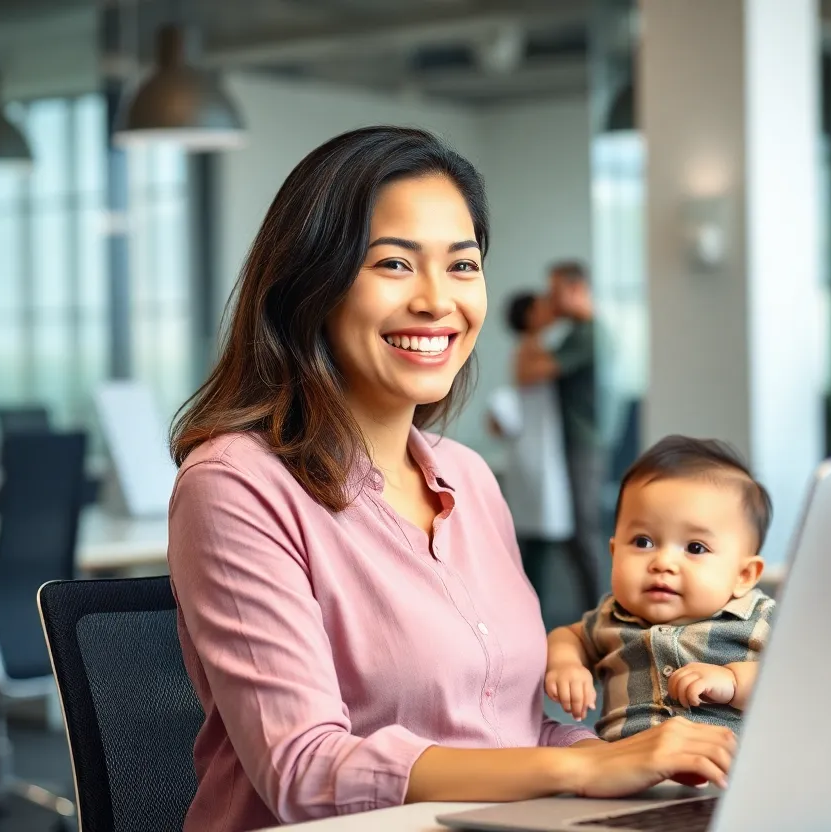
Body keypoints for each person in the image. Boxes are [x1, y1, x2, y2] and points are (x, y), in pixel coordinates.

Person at [166, 127, 737, 829]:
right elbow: (303, 768)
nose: (438, 301)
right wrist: (580, 768)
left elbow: (513, 735)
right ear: (310, 283)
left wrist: (650, 761)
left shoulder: (469, 478)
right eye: (394, 265)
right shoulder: (235, 484)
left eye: (462, 266)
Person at [544, 435, 776, 741]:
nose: (663, 562)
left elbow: (793, 684)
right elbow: (567, 636)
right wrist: (566, 664)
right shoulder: (612, 617)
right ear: (614, 553)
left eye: (695, 547)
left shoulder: (757, 619)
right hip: (626, 773)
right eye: (643, 542)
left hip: (725, 776)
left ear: (744, 575)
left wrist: (734, 681)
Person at [516, 262, 604, 609]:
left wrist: (534, 331)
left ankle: (597, 615)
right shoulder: (574, 333)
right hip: (569, 442)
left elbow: (532, 371)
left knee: (583, 532)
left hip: (581, 444)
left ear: (576, 289)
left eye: (555, 293)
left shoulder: (585, 333)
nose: (550, 301)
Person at [487, 291, 573, 601]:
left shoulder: (538, 347)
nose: (549, 308)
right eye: (541, 306)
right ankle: (532, 606)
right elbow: (528, 377)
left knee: (540, 536)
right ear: (529, 316)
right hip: (534, 452)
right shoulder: (529, 351)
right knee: (535, 538)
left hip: (541, 449)